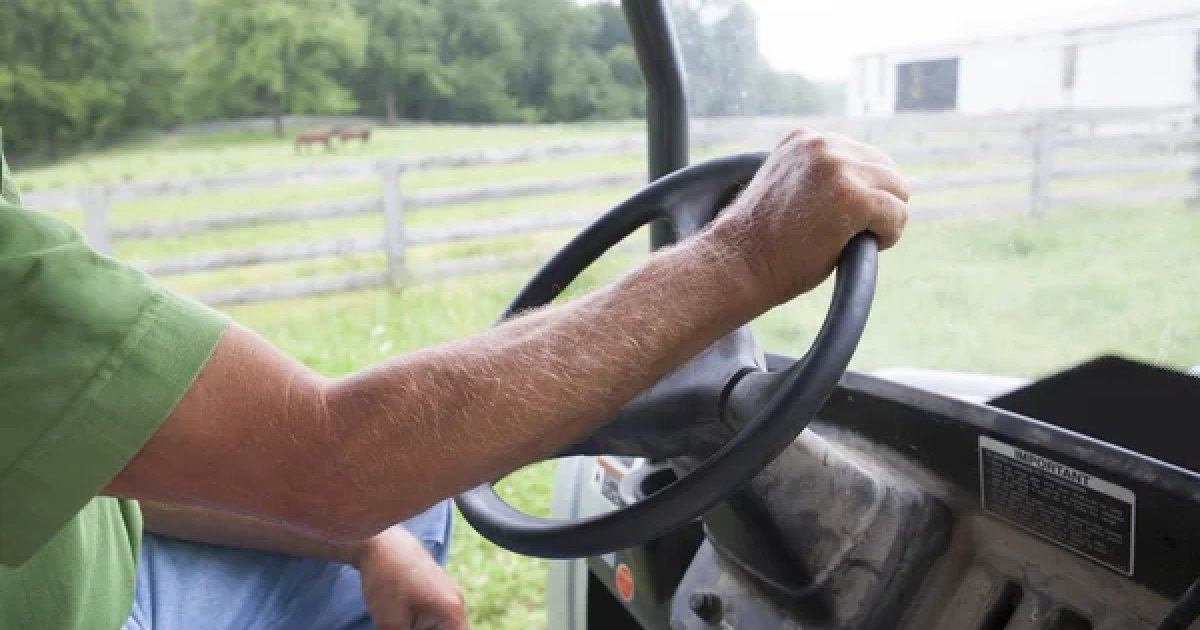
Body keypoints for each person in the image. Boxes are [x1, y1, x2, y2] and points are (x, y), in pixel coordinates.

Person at [0, 127, 909, 630]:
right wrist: (742, 257)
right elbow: (332, 457)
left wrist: (363, 542)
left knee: (411, 516)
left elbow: (82, 451)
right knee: (391, 495)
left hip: (82, 559)